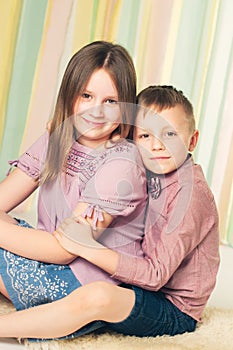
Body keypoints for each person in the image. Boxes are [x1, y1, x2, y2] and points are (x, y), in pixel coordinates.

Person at [0, 85, 220, 340]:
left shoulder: (190, 195)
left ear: (192, 140)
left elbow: (155, 276)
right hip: (135, 284)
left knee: (98, 295)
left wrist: (86, 247)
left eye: (169, 134)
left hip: (169, 306)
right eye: (145, 136)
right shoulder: (144, 166)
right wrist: (66, 130)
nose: (157, 145)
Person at [0, 41, 147, 338]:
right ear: (70, 96)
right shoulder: (59, 138)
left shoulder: (122, 162)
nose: (96, 111)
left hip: (80, 281)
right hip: (45, 253)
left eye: (110, 101)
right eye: (86, 96)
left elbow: (65, 249)